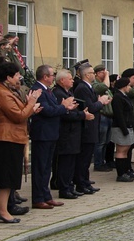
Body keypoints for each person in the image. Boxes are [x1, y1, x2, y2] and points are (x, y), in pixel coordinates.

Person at [0, 62, 41, 224]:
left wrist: (31, 108)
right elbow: (18, 116)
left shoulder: (8, 91)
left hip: (12, 137)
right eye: (17, 75)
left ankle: (5, 209)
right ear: (8, 77)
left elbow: (20, 113)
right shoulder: (2, 93)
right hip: (5, 138)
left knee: (9, 176)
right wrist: (32, 102)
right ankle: (2, 211)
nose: (19, 78)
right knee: (5, 176)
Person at [29, 65, 76, 209]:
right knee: (40, 167)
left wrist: (61, 106)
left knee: (46, 167)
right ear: (45, 77)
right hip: (42, 134)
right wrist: (64, 107)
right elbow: (47, 110)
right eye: (51, 75)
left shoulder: (47, 90)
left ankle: (46, 195)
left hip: (50, 133)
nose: (53, 77)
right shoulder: (38, 90)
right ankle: (38, 198)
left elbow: (53, 108)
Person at [52, 69, 91, 198]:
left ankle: (69, 186)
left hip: (73, 133)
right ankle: (64, 188)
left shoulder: (68, 92)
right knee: (65, 163)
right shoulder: (58, 93)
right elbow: (64, 114)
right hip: (66, 133)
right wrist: (82, 114)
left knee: (71, 162)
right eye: (70, 78)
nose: (73, 80)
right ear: (62, 80)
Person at [72, 63, 110, 194]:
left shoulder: (88, 87)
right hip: (87, 127)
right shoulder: (82, 88)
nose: (94, 74)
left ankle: (85, 181)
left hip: (92, 125)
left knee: (87, 157)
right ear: (87, 75)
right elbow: (90, 108)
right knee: (84, 157)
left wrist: (100, 102)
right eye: (93, 73)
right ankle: (81, 183)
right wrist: (101, 102)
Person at [110, 77, 134, 182]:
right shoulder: (117, 97)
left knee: (126, 150)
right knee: (121, 150)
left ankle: (125, 171)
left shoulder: (124, 96)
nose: (130, 87)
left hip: (127, 125)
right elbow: (119, 115)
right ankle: (121, 174)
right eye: (128, 85)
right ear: (124, 86)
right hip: (121, 127)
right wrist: (124, 129)